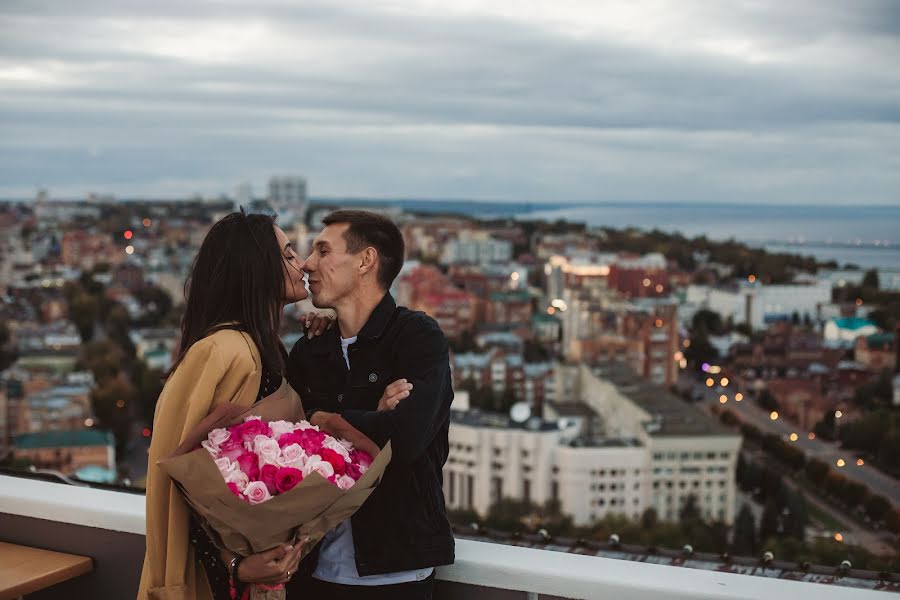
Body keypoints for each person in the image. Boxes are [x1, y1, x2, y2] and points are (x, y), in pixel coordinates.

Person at [138, 211, 383, 599]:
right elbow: (178, 482)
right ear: (256, 271)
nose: (301, 263)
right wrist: (234, 564)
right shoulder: (220, 352)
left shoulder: (262, 349)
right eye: (287, 255)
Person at [286, 210, 455, 600]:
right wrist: (373, 417)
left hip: (395, 573)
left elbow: (406, 440)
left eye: (323, 251)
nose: (308, 264)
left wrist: (324, 420)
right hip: (311, 570)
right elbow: (285, 447)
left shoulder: (416, 337)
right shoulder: (311, 350)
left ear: (365, 261)